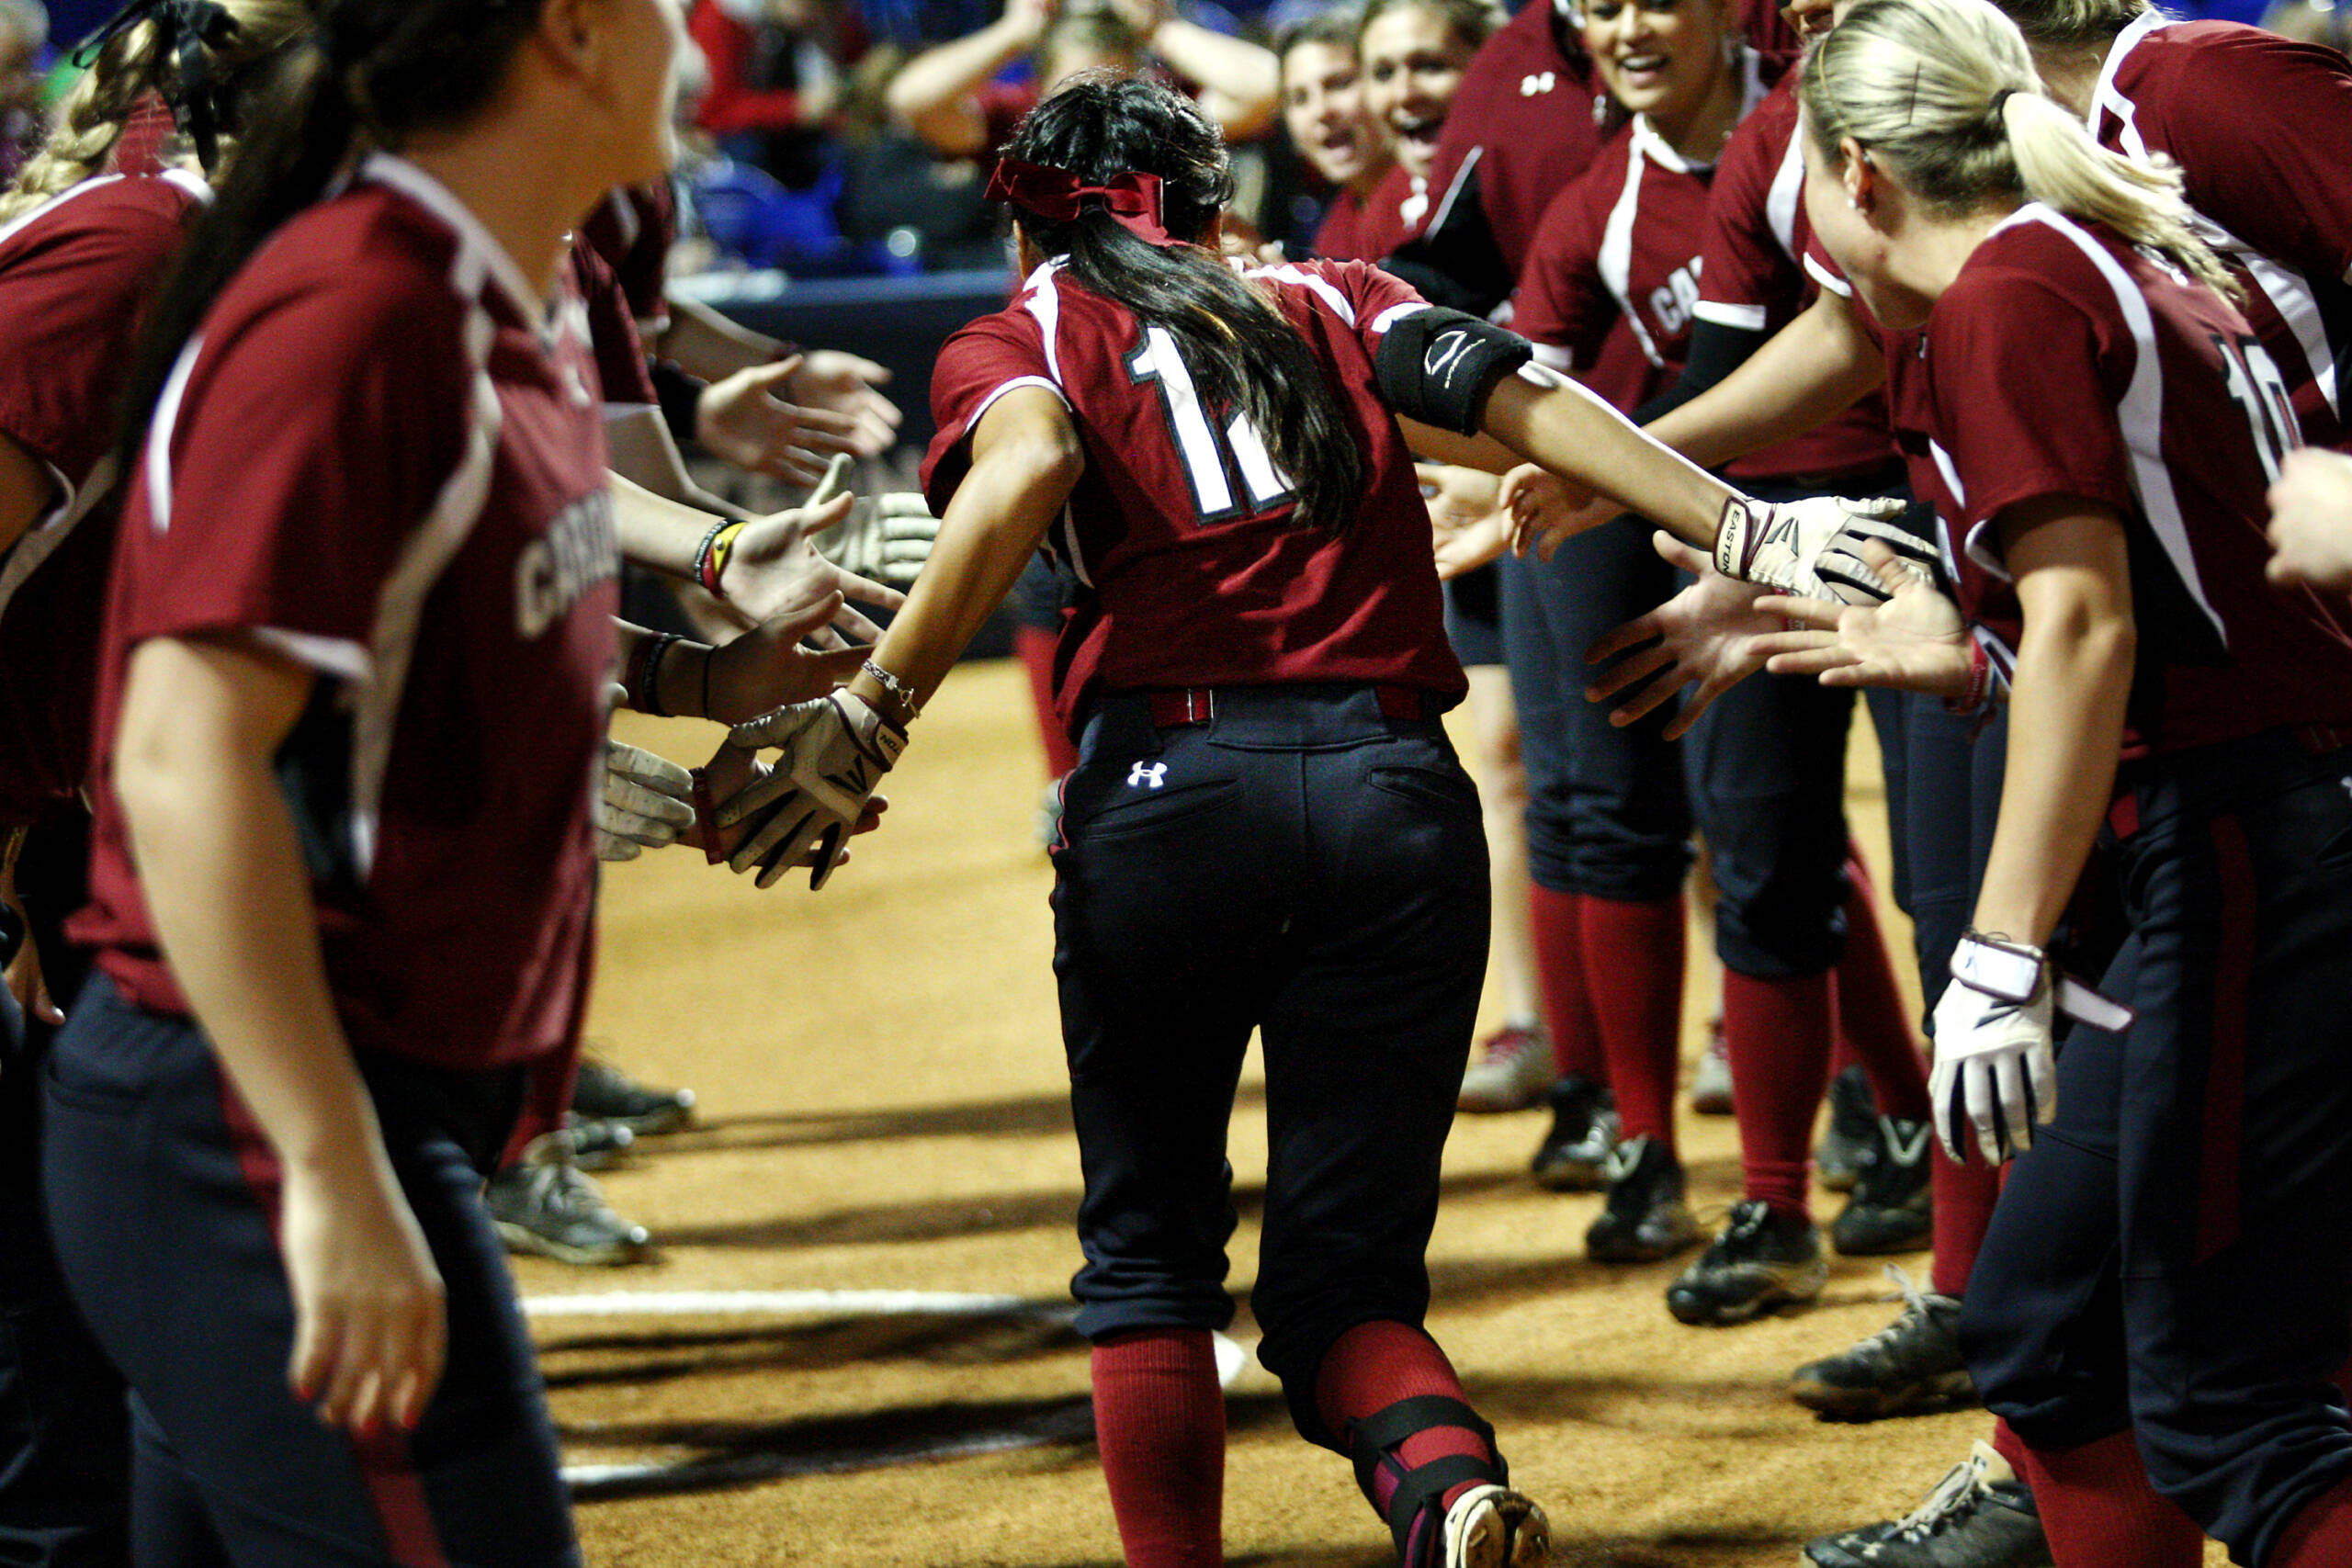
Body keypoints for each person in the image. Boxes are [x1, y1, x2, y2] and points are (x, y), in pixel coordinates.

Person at [702, 68, 1909, 1566]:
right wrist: (1736, 518)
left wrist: (874, 710)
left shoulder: (1023, 333)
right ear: (1219, 206)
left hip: (1168, 797)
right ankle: (1449, 1486)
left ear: (1026, 231)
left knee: (1149, 1260)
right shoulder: (1331, 299)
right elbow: (1518, 398)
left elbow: (1025, 463)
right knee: (1347, 1289)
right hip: (1395, 794)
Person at [1521, 0, 2352, 1558]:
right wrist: (1961, 662)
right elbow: (2180, 617)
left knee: (2229, 1392)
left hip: (2230, 842)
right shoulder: (2093, 252)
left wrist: (1995, 947)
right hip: (2222, 821)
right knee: (2045, 1320)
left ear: (1863, 176)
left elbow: (2104, 628)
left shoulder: (2025, 283)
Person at [32, 0, 850, 1561]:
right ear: (571, 33)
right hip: (261, 1119)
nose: (697, 39)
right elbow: (180, 752)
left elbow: (445, 640)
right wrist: (328, 1176)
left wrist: (712, 681)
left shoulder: (505, 292)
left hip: (316, 1102)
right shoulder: (360, 308)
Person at [1276, 8, 1403, 264]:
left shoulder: (1439, 194)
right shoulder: (1333, 229)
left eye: (1339, 84)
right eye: (1300, 99)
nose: (1321, 111)